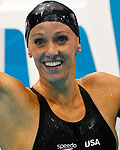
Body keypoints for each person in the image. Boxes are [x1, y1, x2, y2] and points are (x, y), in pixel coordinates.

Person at [0, 1, 119, 150]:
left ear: (78, 42)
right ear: (29, 49)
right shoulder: (17, 104)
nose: (51, 52)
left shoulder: (105, 90)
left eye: (61, 39)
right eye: (39, 41)